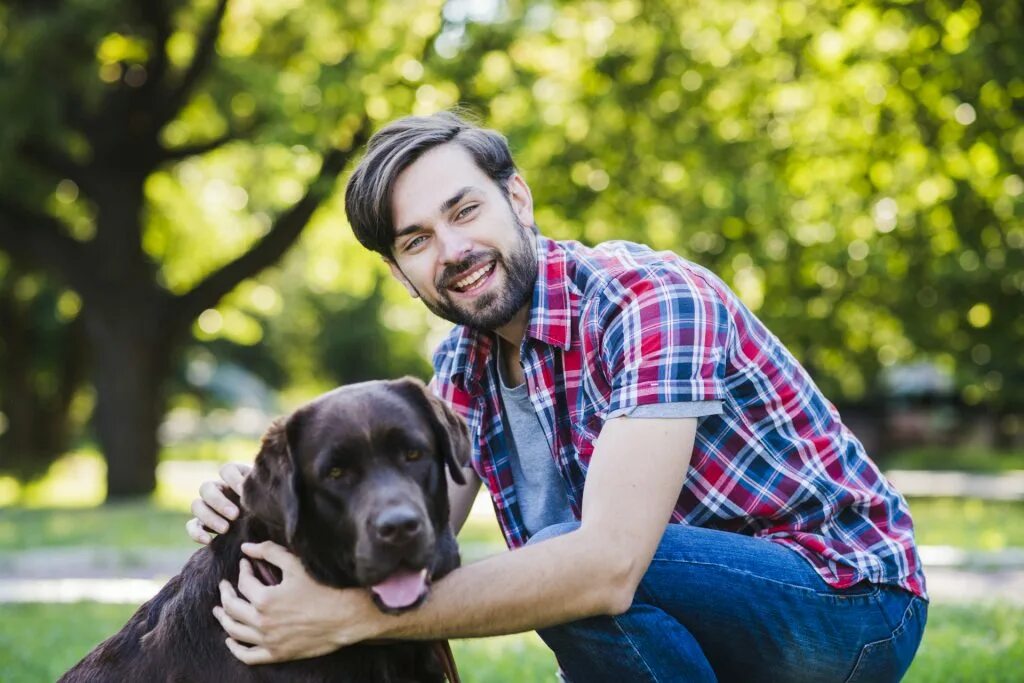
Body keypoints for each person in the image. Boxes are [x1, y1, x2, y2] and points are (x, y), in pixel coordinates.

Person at [187, 111, 927, 682]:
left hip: (848, 604)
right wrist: (258, 505)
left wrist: (351, 620)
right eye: (416, 241)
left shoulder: (651, 302)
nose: (452, 251)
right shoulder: (461, 368)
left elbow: (603, 568)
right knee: (562, 567)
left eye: (465, 211)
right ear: (400, 274)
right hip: (688, 617)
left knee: (567, 561)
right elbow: (411, 541)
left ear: (518, 196)